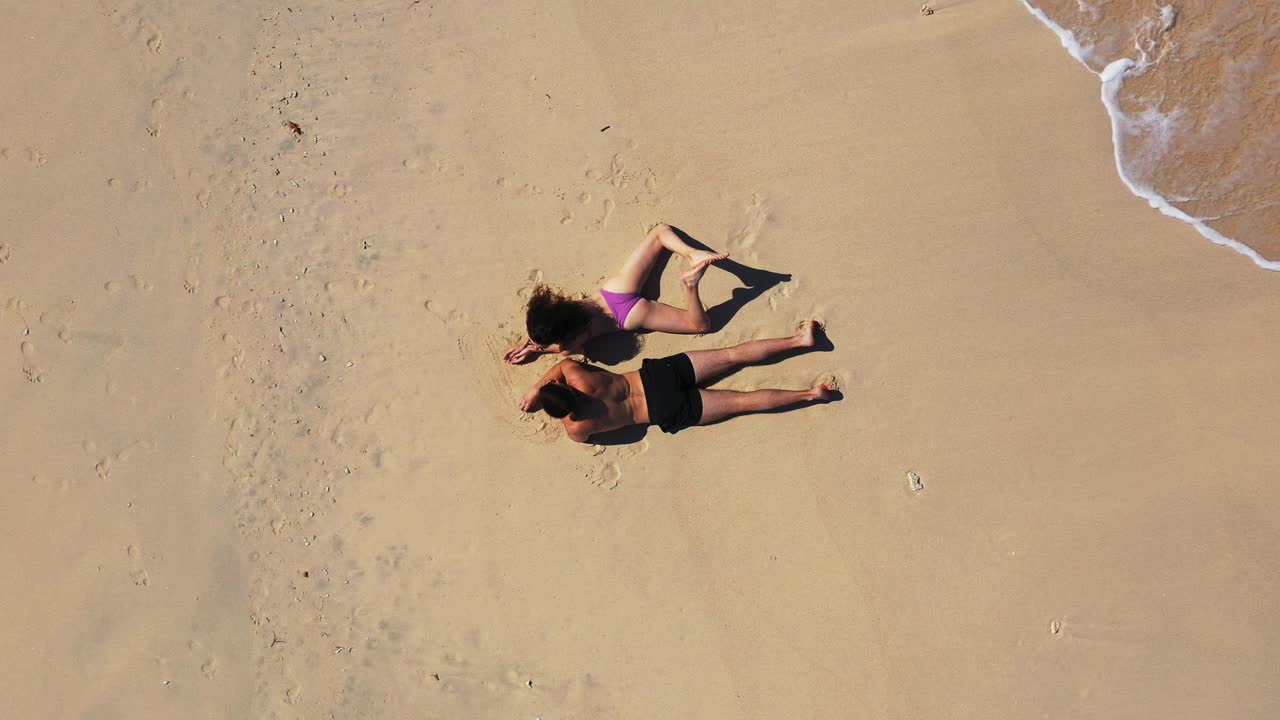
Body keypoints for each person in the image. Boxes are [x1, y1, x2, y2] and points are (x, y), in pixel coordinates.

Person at [518, 321, 837, 441]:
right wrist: (537, 387)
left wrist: (553, 404)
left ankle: (813, 394)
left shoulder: (576, 429)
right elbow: (562, 364)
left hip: (662, 410)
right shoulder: (577, 376)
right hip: (656, 378)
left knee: (744, 402)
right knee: (731, 356)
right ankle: (801, 341)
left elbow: (594, 436)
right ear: (561, 387)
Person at [503, 223, 728, 364]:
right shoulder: (561, 310)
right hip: (615, 290)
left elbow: (557, 347)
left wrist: (536, 349)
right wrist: (531, 341)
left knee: (699, 326)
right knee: (660, 233)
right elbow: (546, 326)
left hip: (628, 316)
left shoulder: (568, 346)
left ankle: (691, 285)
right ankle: (693, 254)